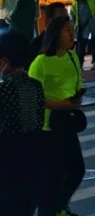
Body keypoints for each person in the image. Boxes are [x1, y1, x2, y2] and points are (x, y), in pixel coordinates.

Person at [29, 15, 86, 216]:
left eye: (72, 30)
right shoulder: (41, 62)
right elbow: (34, 97)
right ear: (55, 34)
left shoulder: (73, 58)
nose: (71, 34)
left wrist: (73, 102)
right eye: (66, 31)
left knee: (76, 169)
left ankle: (58, 207)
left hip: (67, 124)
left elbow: (78, 88)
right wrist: (62, 105)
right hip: (47, 127)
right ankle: (51, 210)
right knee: (53, 175)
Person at [0, 30, 46, 215]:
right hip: (33, 157)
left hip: (8, 160)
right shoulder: (36, 86)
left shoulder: (4, 89)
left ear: (4, 62)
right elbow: (39, 119)